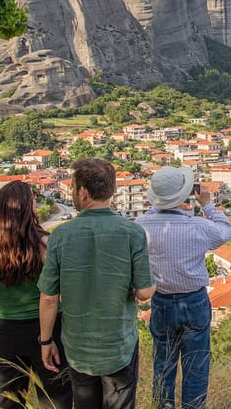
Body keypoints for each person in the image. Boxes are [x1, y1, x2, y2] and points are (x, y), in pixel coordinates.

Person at [38, 158, 154, 409]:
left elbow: (48, 298)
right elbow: (145, 292)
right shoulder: (132, 233)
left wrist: (46, 341)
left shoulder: (60, 235)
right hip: (118, 345)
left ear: (83, 191)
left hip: (78, 348)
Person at [137, 166, 231, 409]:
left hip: (161, 302)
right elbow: (226, 231)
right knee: (196, 367)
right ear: (185, 196)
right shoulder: (198, 226)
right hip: (195, 302)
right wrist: (207, 205)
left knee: (163, 366)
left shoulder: (140, 226)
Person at [0, 181, 72, 409]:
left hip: (6, 330)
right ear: (29, 208)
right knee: (55, 400)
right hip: (49, 328)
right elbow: (59, 293)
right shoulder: (45, 244)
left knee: (8, 402)